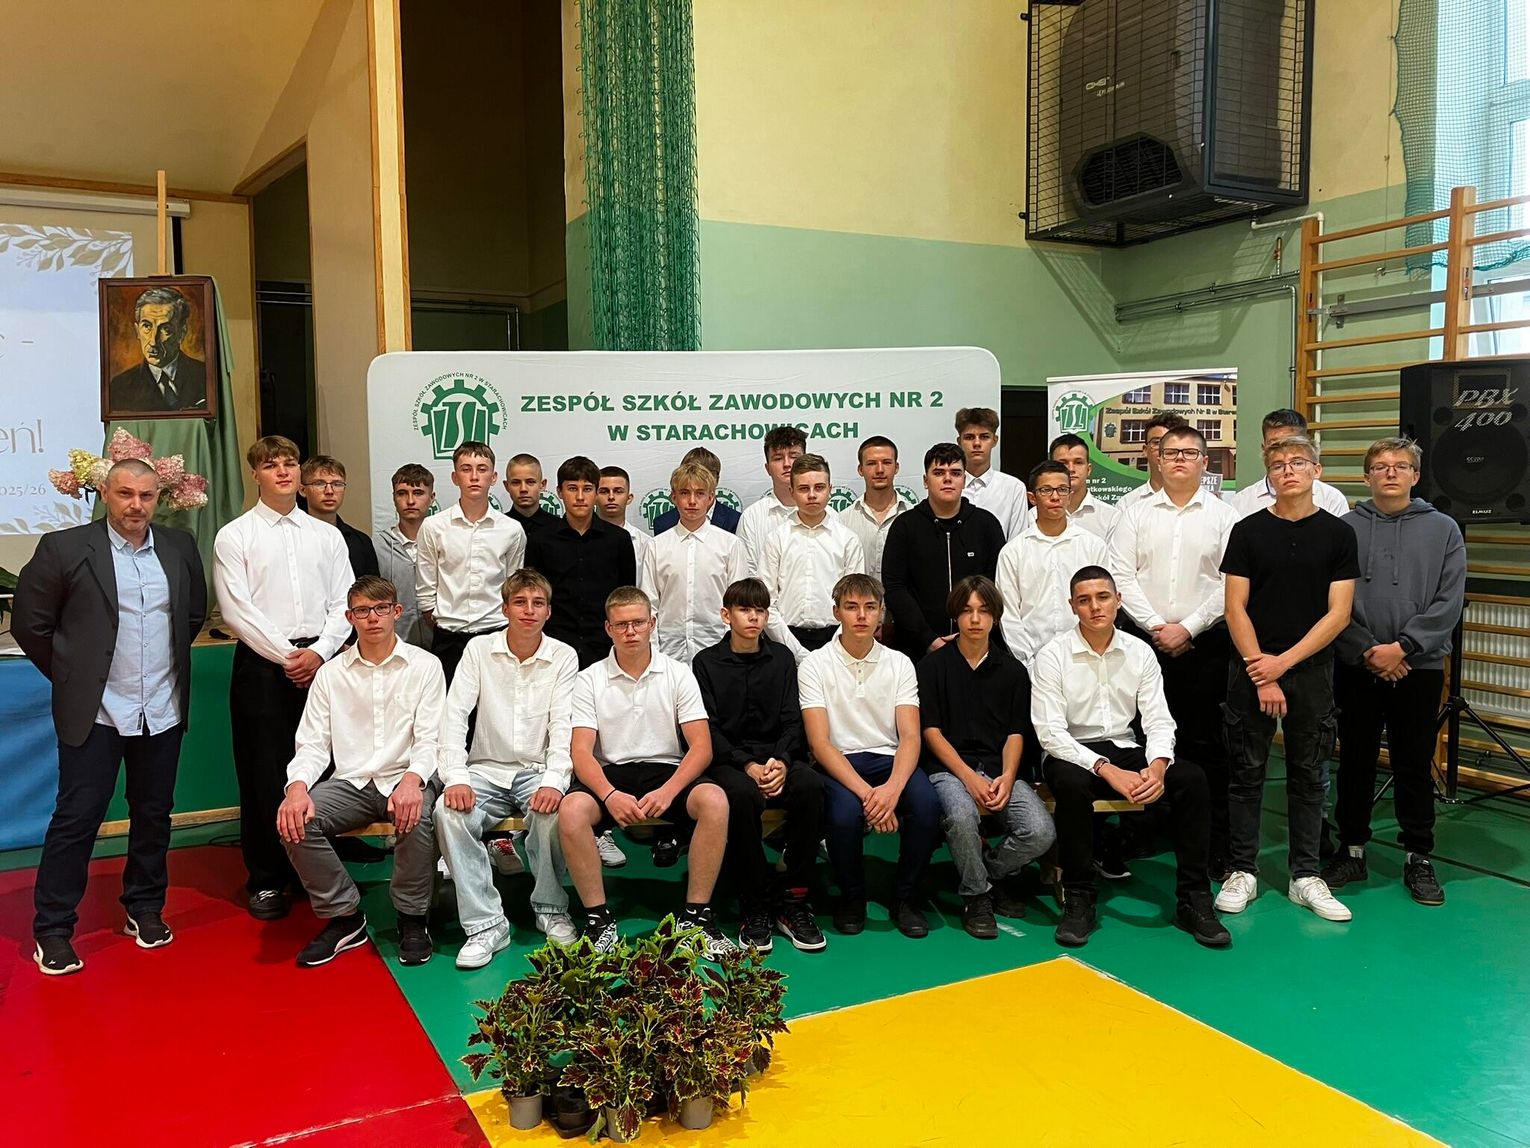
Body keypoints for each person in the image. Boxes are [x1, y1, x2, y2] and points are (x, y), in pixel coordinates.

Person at [15, 459, 207, 975]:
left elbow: (192, 615)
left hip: (161, 708)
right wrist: (72, 678)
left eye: (146, 495)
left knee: (154, 814)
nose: (136, 505)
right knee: (77, 819)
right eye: (125, 494)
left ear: (158, 498)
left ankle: (144, 907)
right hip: (96, 712)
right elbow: (31, 624)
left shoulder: (179, 547)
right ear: (105, 493)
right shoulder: (64, 547)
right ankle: (53, 929)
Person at [1031, 566, 1228, 949]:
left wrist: (1158, 765)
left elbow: (1158, 719)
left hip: (1124, 747)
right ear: (1072, 607)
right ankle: (1079, 897)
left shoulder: (1140, 652)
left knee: (1192, 779)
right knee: (1071, 784)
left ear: (1118, 601)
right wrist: (1105, 770)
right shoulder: (1053, 655)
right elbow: (1050, 733)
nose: (1095, 607)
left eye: (1103, 597)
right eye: (1084, 600)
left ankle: (1194, 899)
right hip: (1071, 751)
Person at [1217, 435, 1359, 923]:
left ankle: (1305, 875)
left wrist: (1285, 664)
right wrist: (1262, 670)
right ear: (1269, 475)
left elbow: (1338, 614)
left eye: (1298, 462)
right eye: (1278, 464)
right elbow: (1235, 607)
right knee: (1246, 773)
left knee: (1308, 775)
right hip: (1251, 670)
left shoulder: (1339, 534)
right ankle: (1242, 870)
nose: (1288, 470)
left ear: (1316, 471)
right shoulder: (1247, 531)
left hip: (1312, 672)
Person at [215, 435, 354, 920]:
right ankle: (268, 879)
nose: (282, 471)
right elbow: (237, 609)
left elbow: (344, 601)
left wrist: (319, 652)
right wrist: (289, 656)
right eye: (271, 464)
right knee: (263, 771)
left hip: (322, 660)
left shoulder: (326, 536)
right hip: (262, 663)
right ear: (255, 474)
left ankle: (318, 872)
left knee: (325, 767)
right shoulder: (235, 535)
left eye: (290, 463)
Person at [276, 576, 446, 967]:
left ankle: (412, 917)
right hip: (352, 781)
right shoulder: (331, 674)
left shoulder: (425, 666)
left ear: (396, 612)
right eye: (363, 611)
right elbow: (313, 743)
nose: (373, 618)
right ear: (350, 618)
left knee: (417, 813)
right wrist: (297, 787)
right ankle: (345, 917)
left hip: (406, 775)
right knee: (295, 819)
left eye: (381, 609)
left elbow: (431, 738)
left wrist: (413, 781)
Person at [556, 588, 737, 955]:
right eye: (621, 624)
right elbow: (581, 752)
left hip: (666, 771)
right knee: (572, 810)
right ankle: (598, 921)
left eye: (638, 622)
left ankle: (696, 917)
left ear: (652, 623)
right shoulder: (589, 679)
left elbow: (701, 747)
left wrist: (669, 791)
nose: (631, 632)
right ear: (608, 629)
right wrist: (609, 795)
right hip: (611, 773)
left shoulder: (678, 673)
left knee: (715, 801)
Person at [1324, 437, 1464, 906]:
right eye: (1380, 466)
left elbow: (1449, 601)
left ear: (1415, 476)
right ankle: (1352, 849)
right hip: (1357, 664)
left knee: (1413, 762)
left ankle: (1418, 856)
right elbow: (1331, 602)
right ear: (1366, 476)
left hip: (1417, 667)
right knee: (1355, 760)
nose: (1390, 473)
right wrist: (1368, 649)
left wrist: (1403, 647)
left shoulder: (1444, 529)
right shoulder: (1344, 529)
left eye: (1400, 466)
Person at [1107, 424, 1239, 874]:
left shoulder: (1225, 516)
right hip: (1142, 644)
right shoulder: (1134, 514)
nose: (1180, 459)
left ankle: (1213, 844)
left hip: (1205, 645)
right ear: (1157, 461)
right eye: (1171, 453)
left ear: (1205, 462)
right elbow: (1120, 575)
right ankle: (1142, 831)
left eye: (1189, 453)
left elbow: (1230, 582)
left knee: (1205, 744)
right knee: (1141, 739)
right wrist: (1156, 626)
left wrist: (1188, 627)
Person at [435, 570, 581, 968]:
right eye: (520, 602)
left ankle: (551, 908)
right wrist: (456, 777)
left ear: (548, 611)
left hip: (536, 769)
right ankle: (486, 925)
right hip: (484, 769)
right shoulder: (479, 650)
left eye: (537, 603)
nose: (528, 610)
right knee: (447, 812)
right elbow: (454, 715)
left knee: (555, 811)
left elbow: (562, 725)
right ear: (505, 609)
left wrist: (554, 781)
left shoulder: (563, 655)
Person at [800, 574, 940, 938]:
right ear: (836, 612)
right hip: (840, 762)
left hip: (890, 760)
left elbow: (910, 736)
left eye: (870, 607)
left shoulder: (900, 663)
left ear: (881, 613)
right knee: (845, 815)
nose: (861, 616)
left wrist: (891, 790)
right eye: (851, 607)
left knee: (927, 805)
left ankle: (905, 897)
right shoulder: (814, 664)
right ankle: (852, 898)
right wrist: (870, 796)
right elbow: (820, 744)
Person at [693, 578, 829, 952]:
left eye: (760, 610)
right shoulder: (706, 663)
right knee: (740, 795)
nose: (753, 617)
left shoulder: (782, 659)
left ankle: (794, 899)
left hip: (777, 755)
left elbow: (793, 720)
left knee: (811, 786)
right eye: (744, 609)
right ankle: (753, 903)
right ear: (726, 615)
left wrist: (782, 761)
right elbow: (709, 729)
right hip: (730, 761)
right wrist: (749, 766)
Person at [918, 576, 1055, 939]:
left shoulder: (1013, 671)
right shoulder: (932, 667)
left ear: (995, 616)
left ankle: (987, 872)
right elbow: (931, 732)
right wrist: (968, 777)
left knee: (1040, 830)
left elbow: (1015, 733)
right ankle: (976, 895)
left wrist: (1008, 776)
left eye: (983, 610)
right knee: (961, 816)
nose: (975, 619)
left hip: (998, 768)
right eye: (967, 611)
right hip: (948, 769)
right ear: (956, 615)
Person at [880, 443, 1005, 662]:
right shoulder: (905, 526)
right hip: (917, 650)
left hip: (978, 647)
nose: (948, 479)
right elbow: (895, 588)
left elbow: (996, 586)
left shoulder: (986, 525)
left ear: (964, 480)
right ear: (925, 481)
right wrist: (928, 639)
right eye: (938, 473)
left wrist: (967, 637)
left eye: (955, 473)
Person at [415, 441, 526, 684]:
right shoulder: (434, 526)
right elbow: (426, 590)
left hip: (495, 634)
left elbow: (513, 587)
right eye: (466, 469)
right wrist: (442, 622)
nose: (474, 477)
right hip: (448, 637)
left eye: (482, 469)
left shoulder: (511, 529)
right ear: (455, 477)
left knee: (495, 704)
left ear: (493, 477)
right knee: (449, 704)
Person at [524, 456, 638, 669]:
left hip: (606, 645)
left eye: (587, 489)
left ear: (596, 492)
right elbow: (534, 596)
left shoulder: (618, 539)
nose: (579, 497)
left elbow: (626, 596)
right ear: (559, 492)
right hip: (554, 645)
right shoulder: (540, 540)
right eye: (572, 488)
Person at [995, 460, 1108, 667]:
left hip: (1087, 659)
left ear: (1070, 495)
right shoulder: (1013, 551)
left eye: (1062, 489)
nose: (1055, 497)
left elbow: (1102, 605)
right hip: (1032, 660)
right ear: (1032, 498)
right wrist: (1029, 662)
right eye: (1046, 490)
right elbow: (1009, 614)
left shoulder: (1093, 546)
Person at [641, 461, 749, 663]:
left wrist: (734, 649)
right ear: (674, 497)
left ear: (711, 498)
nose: (692, 501)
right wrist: (653, 651)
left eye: (700, 493)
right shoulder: (656, 546)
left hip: (719, 649)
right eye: (684, 493)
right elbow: (649, 604)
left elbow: (739, 603)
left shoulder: (730, 545)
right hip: (668, 651)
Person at [760, 454, 865, 661]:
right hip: (784, 640)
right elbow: (766, 602)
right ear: (792, 492)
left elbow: (854, 603)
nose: (811, 495)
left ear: (830, 490)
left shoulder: (848, 540)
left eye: (819, 487)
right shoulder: (776, 538)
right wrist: (796, 652)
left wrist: (833, 648)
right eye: (803, 488)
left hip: (837, 640)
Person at [1229, 409, 1350, 519]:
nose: (1284, 450)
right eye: (1275, 445)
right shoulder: (1242, 502)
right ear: (1263, 448)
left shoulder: (1331, 498)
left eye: (1292, 443)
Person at [107, 286, 209, 413]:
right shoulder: (120, 387)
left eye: (165, 329)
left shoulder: (204, 376)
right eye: (147, 326)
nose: (153, 342)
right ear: (137, 331)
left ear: (181, 333)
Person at [837, 435, 913, 585]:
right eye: (871, 463)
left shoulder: (913, 517)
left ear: (896, 467)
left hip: (904, 599)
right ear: (860, 469)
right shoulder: (843, 520)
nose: (879, 470)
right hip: (858, 599)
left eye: (886, 462)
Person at [376, 463, 434, 646]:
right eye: (402, 493)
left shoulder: (445, 542)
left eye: (418, 493)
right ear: (394, 498)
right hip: (393, 645)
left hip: (442, 643)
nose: (410, 501)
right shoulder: (377, 546)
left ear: (432, 498)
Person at [737, 426, 809, 571]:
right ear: (767, 468)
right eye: (778, 458)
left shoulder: (829, 515)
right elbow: (747, 574)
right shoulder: (752, 517)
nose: (787, 464)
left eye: (794, 456)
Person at [300, 454, 379, 578]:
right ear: (302, 490)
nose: (329, 491)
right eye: (320, 483)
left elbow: (373, 589)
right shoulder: (292, 536)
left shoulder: (362, 542)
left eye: (337, 484)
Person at [955, 406, 1028, 539]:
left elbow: (1017, 543)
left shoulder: (1014, 488)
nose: (977, 443)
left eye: (984, 437)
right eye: (969, 437)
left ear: (995, 440)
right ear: (959, 442)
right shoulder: (948, 485)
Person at [652, 448, 741, 535]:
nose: (696, 480)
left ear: (716, 479)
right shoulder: (663, 523)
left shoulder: (736, 521)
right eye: (690, 472)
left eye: (704, 475)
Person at [1049, 432, 1118, 542]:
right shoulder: (1034, 516)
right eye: (1063, 463)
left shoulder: (1111, 517)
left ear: (1088, 469)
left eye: (1078, 462)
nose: (1071, 469)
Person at [1115, 412, 1187, 511]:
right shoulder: (1127, 505)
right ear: (1145, 450)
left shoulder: (1206, 503)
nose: (1165, 449)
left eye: (1172, 443)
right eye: (1157, 442)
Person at [597, 465, 652, 569]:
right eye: (604, 491)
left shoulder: (646, 544)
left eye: (618, 491)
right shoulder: (583, 540)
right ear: (594, 497)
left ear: (629, 498)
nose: (611, 497)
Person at [504, 453, 563, 537]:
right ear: (507, 486)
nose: (523, 489)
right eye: (516, 483)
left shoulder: (560, 529)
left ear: (542, 485)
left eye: (530, 482)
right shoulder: (497, 528)